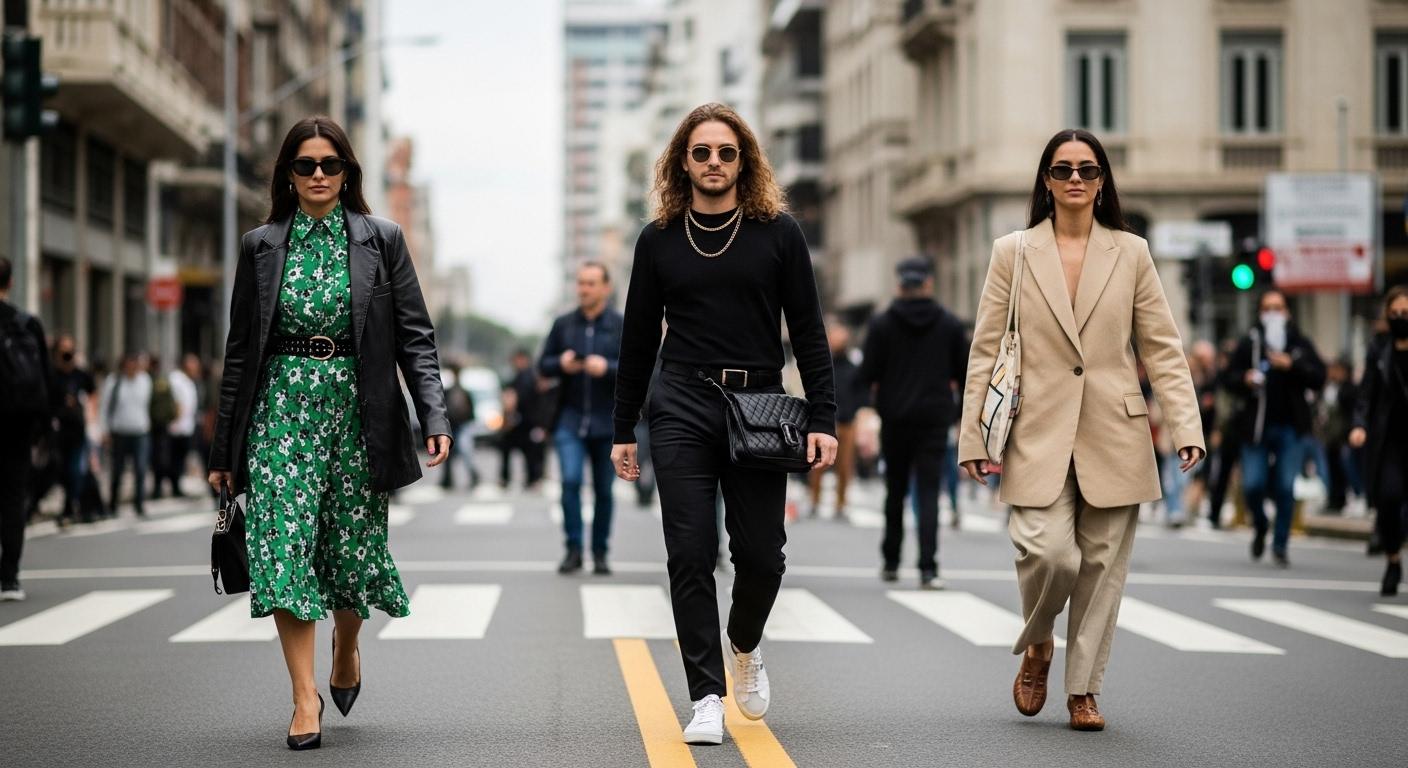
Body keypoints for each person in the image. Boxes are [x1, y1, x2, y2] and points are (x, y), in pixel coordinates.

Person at [206, 116, 451, 750]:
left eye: (330, 165)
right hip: (281, 409)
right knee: (283, 548)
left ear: (348, 174)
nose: (318, 175)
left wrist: (435, 415)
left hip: (358, 408)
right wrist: (223, 449)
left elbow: (415, 338)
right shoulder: (261, 245)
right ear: (287, 176)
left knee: (347, 551)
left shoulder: (382, 239)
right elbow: (239, 353)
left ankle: (347, 648)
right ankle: (303, 696)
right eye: (305, 165)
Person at [957, 129, 1204, 732]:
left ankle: (1083, 691)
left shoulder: (1133, 252)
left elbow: (1163, 348)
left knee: (1101, 571)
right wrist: (973, 436)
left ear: (1101, 181)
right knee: (1049, 553)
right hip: (1033, 431)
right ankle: (1039, 641)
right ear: (1046, 179)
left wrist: (1184, 423)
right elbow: (986, 348)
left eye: (1087, 170)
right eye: (1063, 169)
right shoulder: (1012, 251)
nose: (1075, 179)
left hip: (1115, 432)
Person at [611, 103, 837, 746]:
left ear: (746, 161)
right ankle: (706, 695)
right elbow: (635, 342)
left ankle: (744, 644)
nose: (714, 162)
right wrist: (624, 429)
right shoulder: (657, 240)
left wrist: (824, 416)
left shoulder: (778, 234)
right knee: (688, 553)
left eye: (727, 152)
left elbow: (810, 332)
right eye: (702, 152)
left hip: (760, 404)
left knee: (762, 556)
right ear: (682, 162)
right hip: (680, 400)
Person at [860, 258, 968, 588]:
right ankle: (928, 567)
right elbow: (964, 373)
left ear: (899, 285)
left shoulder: (881, 324)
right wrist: (959, 413)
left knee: (895, 490)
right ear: (928, 284)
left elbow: (868, 373)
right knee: (928, 491)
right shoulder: (949, 324)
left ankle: (891, 560)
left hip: (895, 416)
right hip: (935, 418)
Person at [1224, 289, 1326, 567]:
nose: (1273, 312)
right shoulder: (1250, 343)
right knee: (1253, 484)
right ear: (1260, 312)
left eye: (1278, 307)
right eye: (1267, 307)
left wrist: (1292, 365)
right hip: (1255, 428)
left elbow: (1319, 376)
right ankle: (1260, 523)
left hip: (1291, 428)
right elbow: (1228, 378)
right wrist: (1245, 378)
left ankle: (1280, 544)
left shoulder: (1300, 343)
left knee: (1284, 486)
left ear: (1287, 312)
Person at [539, 262, 624, 575]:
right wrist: (561, 363)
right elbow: (543, 365)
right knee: (571, 481)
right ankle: (573, 548)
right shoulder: (563, 324)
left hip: (608, 421)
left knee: (604, 489)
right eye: (580, 283)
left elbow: (640, 369)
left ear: (605, 288)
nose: (584, 289)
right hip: (570, 419)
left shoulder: (619, 324)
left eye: (590, 283)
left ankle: (599, 551)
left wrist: (608, 368)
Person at [0, 257, 54, 601]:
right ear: (11, 281)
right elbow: (44, 383)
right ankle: (10, 579)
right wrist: (42, 428)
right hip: (17, 426)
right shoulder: (26, 323)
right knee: (12, 498)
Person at [1349, 286, 1408, 596]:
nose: (1400, 319)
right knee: (1388, 499)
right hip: (1389, 441)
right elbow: (1365, 394)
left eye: (1406, 314)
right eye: (1395, 313)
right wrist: (1359, 425)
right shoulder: (1379, 349)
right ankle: (1393, 559)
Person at [807, 320, 864, 522]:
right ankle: (813, 501)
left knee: (844, 466)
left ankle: (841, 504)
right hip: (826, 420)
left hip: (847, 421)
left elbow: (861, 391)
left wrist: (855, 411)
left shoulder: (853, 365)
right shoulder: (825, 364)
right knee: (818, 464)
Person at [100, 352, 153, 517]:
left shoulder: (145, 381)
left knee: (140, 468)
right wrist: (104, 430)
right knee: (117, 469)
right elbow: (105, 408)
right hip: (119, 432)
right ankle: (113, 503)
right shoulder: (113, 382)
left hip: (140, 431)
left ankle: (139, 503)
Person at [51, 334, 96, 524]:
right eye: (63, 350)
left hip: (77, 429)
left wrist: (90, 414)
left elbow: (93, 394)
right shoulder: (52, 374)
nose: (67, 354)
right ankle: (72, 506)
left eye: (70, 350)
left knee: (75, 470)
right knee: (59, 470)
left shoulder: (81, 374)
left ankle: (71, 506)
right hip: (56, 431)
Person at [500, 349, 546, 490]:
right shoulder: (525, 375)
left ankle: (529, 478)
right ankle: (527, 479)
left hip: (527, 421)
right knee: (522, 451)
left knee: (528, 452)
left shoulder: (528, 376)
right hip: (524, 421)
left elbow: (519, 398)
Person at [163, 353, 199, 497]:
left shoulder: (188, 381)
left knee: (180, 458)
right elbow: (177, 403)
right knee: (173, 458)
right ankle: (172, 486)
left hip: (186, 426)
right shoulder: (177, 379)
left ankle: (176, 485)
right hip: (175, 426)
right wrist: (176, 419)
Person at [147, 355, 181, 498]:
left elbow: (170, 402)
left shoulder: (153, 381)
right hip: (154, 425)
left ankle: (158, 487)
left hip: (158, 425)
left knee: (160, 458)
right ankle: (158, 487)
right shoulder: (152, 380)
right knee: (158, 458)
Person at [441, 366, 478, 490]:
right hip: (450, 426)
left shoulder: (464, 391)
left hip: (462, 426)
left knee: (465, 451)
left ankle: (473, 476)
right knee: (447, 453)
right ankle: (447, 479)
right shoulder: (448, 391)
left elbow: (472, 411)